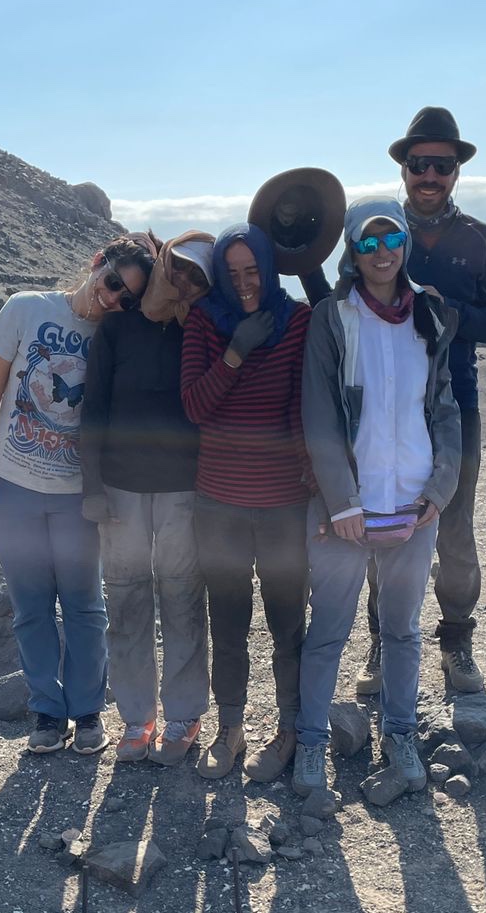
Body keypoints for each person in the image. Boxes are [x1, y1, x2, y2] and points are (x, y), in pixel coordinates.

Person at [296, 200, 461, 798]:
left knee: (403, 630)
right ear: (353, 251)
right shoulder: (333, 318)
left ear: (405, 244)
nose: (381, 252)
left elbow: (444, 407)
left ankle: (400, 735)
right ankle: (311, 741)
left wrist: (440, 490)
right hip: (348, 507)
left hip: (414, 504)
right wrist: (341, 502)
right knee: (329, 630)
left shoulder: (430, 315)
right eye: (367, 243)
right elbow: (319, 413)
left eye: (390, 239)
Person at [0, 238, 154, 754]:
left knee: (83, 605)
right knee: (30, 607)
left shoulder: (118, 334)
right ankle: (46, 712)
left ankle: (87, 711)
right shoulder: (26, 308)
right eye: (112, 283)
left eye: (127, 298)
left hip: (77, 494)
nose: (113, 299)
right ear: (97, 263)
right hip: (12, 485)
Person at [357, 107, 486, 700]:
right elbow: (344, 301)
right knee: (384, 520)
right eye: (419, 163)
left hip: (457, 402)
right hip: (384, 403)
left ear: (456, 172)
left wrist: (445, 310)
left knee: (454, 526)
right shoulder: (377, 230)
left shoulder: (481, 240)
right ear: (404, 168)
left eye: (441, 166)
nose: (430, 175)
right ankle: (382, 639)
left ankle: (456, 643)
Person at [180, 223, 311, 782]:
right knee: (228, 623)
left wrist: (313, 486)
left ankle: (289, 730)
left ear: (269, 268)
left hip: (283, 504)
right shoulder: (204, 321)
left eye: (253, 270)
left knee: (288, 624)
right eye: (231, 274)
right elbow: (195, 406)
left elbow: (302, 407)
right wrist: (235, 352)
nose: (244, 284)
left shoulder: (298, 321)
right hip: (220, 503)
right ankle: (230, 727)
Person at [81, 236, 210, 765]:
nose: (182, 282)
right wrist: (91, 487)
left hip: (184, 488)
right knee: (127, 600)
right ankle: (137, 718)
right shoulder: (116, 330)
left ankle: (184, 714)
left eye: (196, 277)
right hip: (119, 488)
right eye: (175, 268)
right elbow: (93, 409)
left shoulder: (199, 329)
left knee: (183, 599)